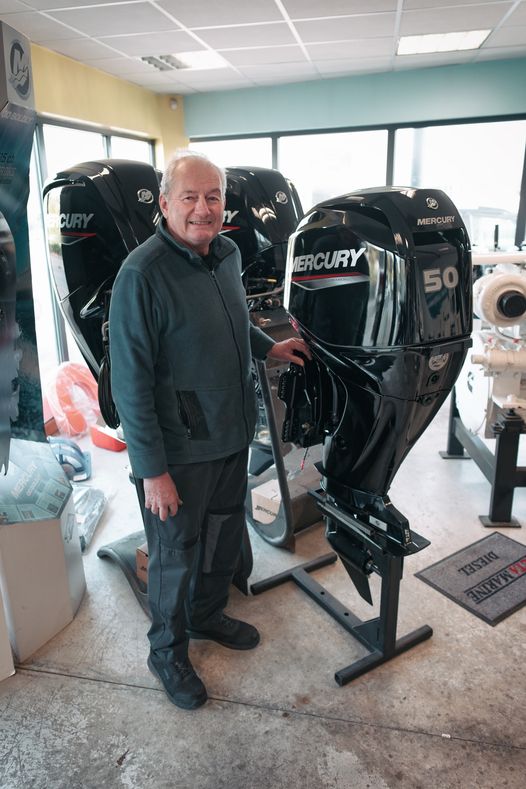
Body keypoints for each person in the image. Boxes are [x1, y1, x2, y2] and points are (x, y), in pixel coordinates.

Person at [109, 151, 311, 710]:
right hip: (179, 451)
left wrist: (268, 346)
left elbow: (232, 320)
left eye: (213, 197)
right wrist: (152, 472)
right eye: (191, 197)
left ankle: (204, 616)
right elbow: (130, 386)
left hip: (231, 434)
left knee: (223, 534)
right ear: (167, 202)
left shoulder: (225, 253)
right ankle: (166, 651)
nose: (203, 209)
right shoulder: (142, 275)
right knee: (174, 552)